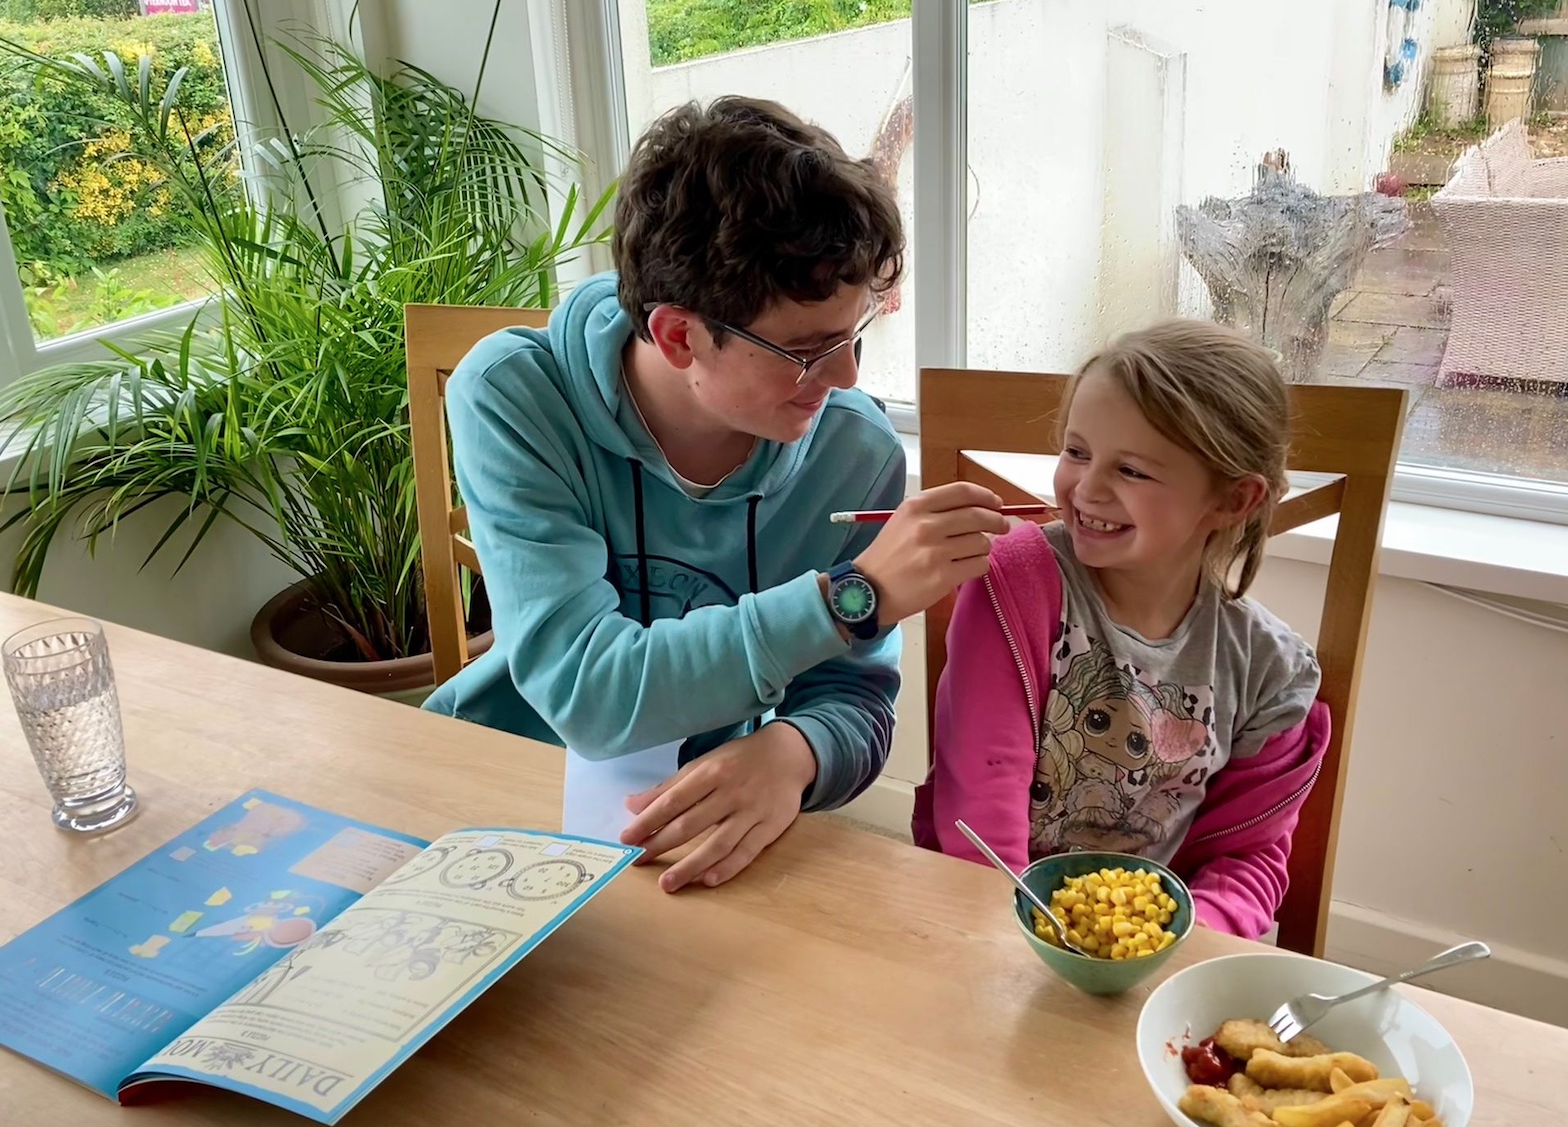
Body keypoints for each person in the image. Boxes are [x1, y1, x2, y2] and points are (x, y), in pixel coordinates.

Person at [424, 96, 1008, 893]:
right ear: (678, 335)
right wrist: (848, 600)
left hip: (695, 830)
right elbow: (586, 695)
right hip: (485, 787)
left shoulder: (854, 450)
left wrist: (794, 753)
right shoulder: (516, 396)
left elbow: (856, 701)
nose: (846, 377)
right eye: (808, 350)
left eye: (857, 334)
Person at [913, 320, 1330, 939]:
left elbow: (1248, 860)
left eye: (1131, 470)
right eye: (1077, 452)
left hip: (1156, 953)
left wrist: (1171, 947)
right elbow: (980, 811)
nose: (1086, 488)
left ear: (1233, 500)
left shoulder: (1272, 674)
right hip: (985, 919)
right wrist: (1030, 942)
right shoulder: (1012, 586)